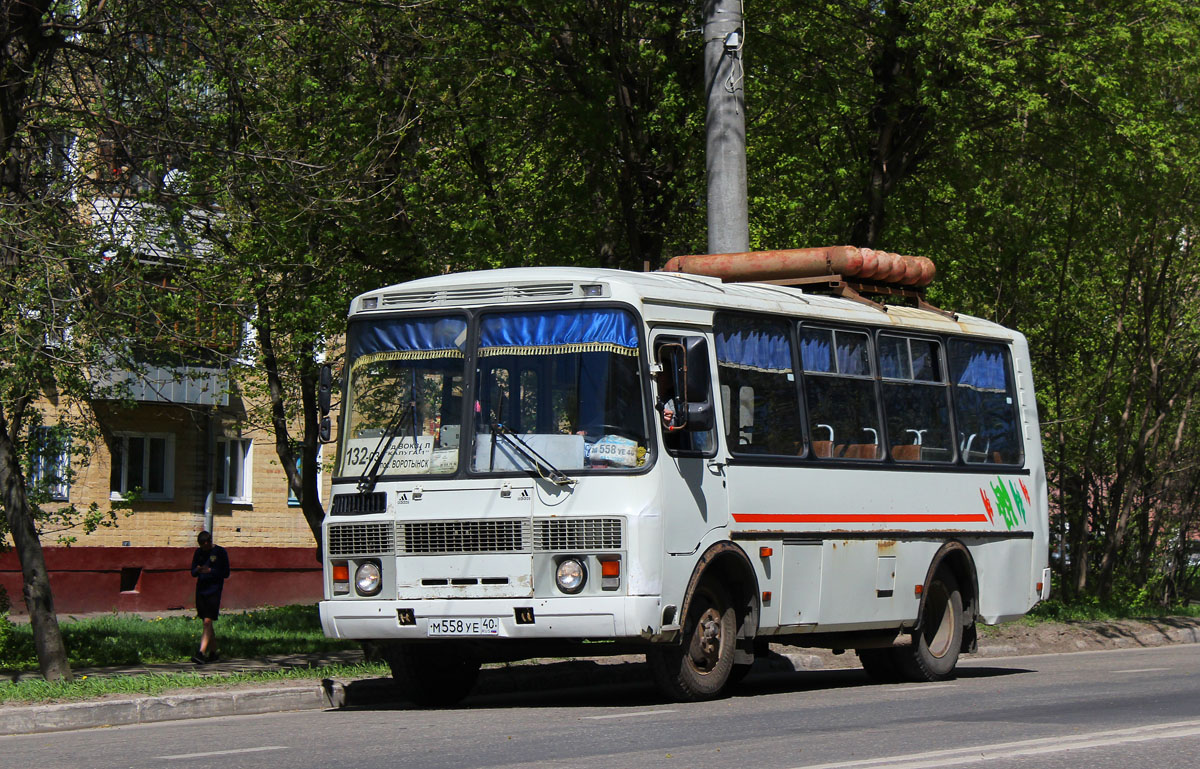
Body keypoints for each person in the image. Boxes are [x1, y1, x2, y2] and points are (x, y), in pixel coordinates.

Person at [190, 530, 230, 664]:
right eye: (201, 546)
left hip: (214, 591)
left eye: (205, 546)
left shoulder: (220, 552)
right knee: (206, 622)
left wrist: (211, 571)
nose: (204, 548)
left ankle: (201, 652)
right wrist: (198, 570)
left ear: (209, 542)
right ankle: (214, 652)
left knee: (207, 621)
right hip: (201, 590)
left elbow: (226, 573)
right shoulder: (199, 553)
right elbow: (193, 572)